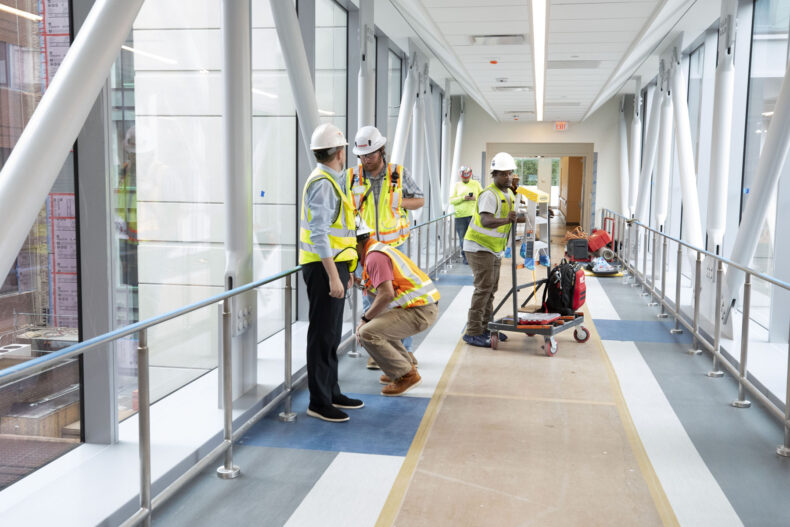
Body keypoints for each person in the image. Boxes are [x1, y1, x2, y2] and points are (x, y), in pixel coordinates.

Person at [299, 123, 363, 423]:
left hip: (334, 265)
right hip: (323, 267)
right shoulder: (324, 183)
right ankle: (319, 401)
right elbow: (319, 233)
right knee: (322, 335)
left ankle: (331, 391)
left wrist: (346, 270)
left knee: (331, 334)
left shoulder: (331, 180)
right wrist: (334, 276)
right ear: (339, 152)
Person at [347, 125, 424, 370]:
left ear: (381, 150)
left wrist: (399, 201)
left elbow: (419, 199)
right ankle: (377, 353)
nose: (365, 159)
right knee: (372, 302)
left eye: (369, 154)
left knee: (401, 301)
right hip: (367, 250)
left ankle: (407, 351)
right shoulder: (352, 177)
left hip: (395, 249)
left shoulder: (398, 174)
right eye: (361, 155)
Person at [355, 218, 439, 396]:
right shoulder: (376, 250)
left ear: (356, 243)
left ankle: (406, 375)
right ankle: (401, 367)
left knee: (367, 332)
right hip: (420, 307)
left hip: (420, 311)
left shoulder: (374, 258)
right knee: (378, 325)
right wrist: (358, 283)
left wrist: (363, 320)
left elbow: (386, 295)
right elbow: (380, 289)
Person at [462, 152, 526, 348]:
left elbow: (514, 217)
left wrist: (538, 212)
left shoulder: (508, 193)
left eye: (509, 173)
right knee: (483, 290)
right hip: (479, 248)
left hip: (493, 249)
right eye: (503, 174)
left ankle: (486, 327)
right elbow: (486, 220)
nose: (507, 177)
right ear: (494, 174)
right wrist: (508, 219)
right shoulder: (489, 194)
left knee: (490, 289)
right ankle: (473, 332)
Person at [449, 166, 482, 264]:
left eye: (467, 177)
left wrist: (475, 198)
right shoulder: (457, 185)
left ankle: (475, 257)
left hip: (473, 215)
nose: (466, 179)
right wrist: (463, 198)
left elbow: (483, 196)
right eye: (464, 177)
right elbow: (451, 200)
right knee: (463, 238)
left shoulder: (476, 184)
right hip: (460, 216)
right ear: (460, 176)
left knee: (474, 238)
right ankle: (466, 258)